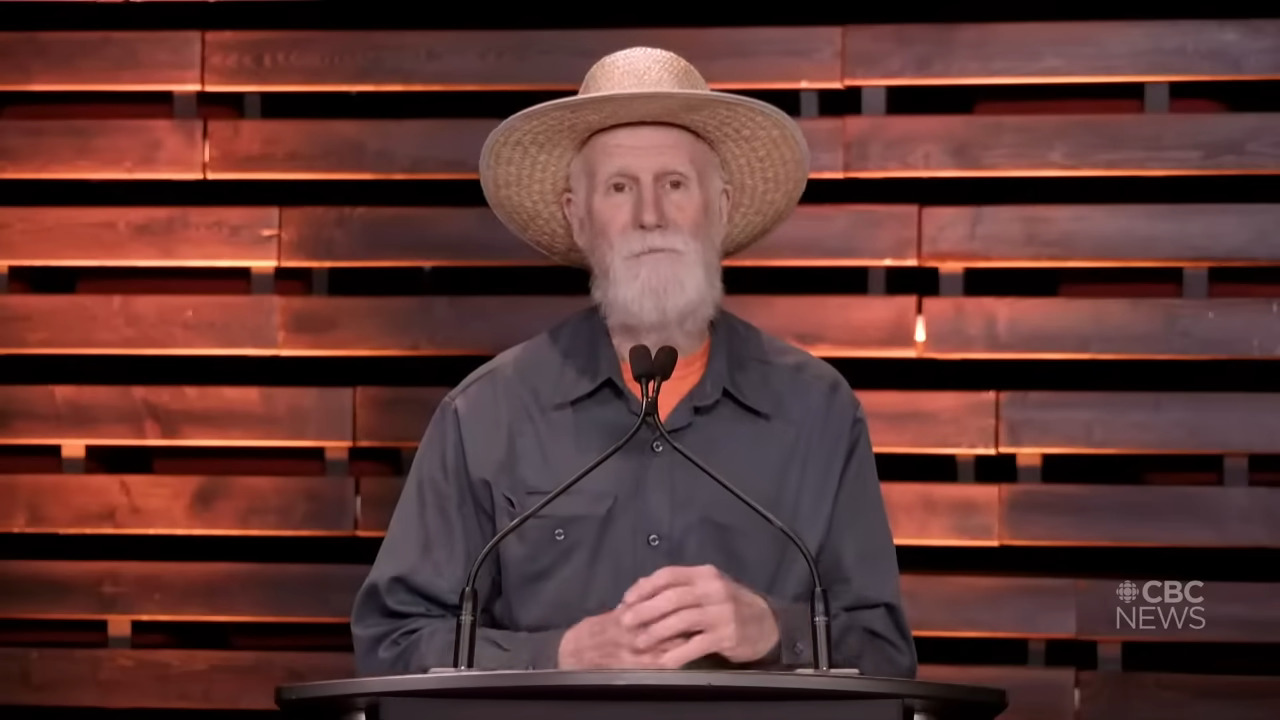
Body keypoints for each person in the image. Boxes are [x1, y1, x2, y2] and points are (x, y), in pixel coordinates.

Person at [350, 47, 916, 678]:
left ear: (721, 207)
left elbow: (885, 654)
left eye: (675, 184)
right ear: (578, 217)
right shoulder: (485, 413)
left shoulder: (818, 409)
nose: (651, 216)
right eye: (620, 188)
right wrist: (558, 656)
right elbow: (394, 642)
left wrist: (774, 630)